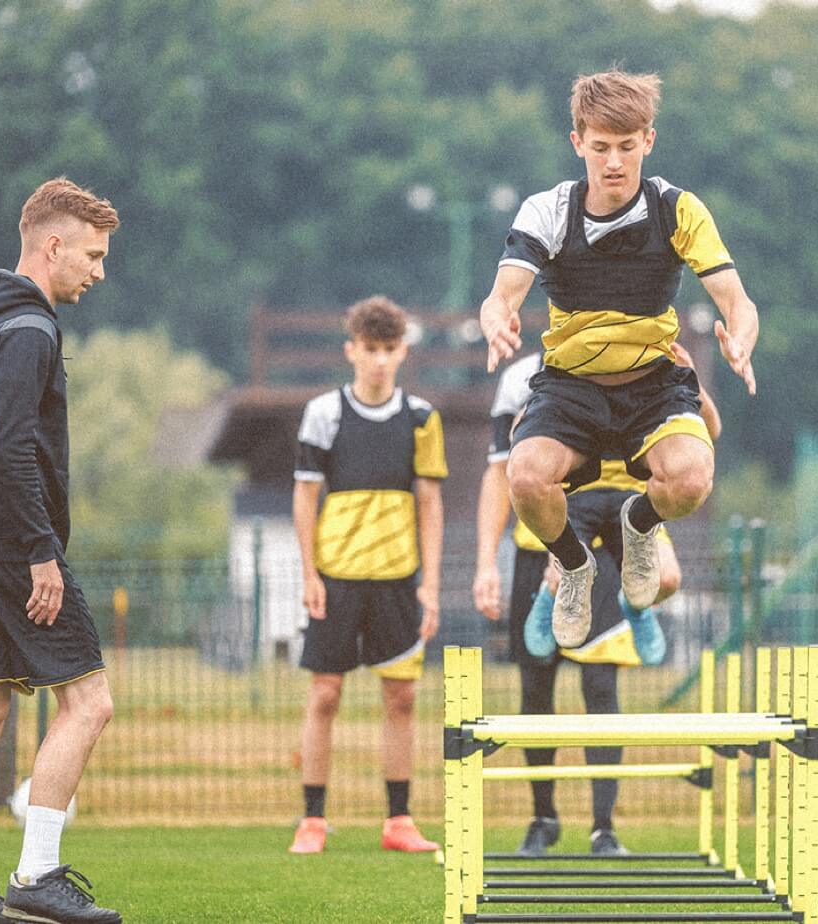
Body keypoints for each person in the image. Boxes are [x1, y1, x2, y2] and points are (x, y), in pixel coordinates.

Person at [479, 68, 759, 650]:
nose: (613, 163)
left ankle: (639, 525)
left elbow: (736, 299)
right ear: (577, 142)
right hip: (571, 387)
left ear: (648, 142)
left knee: (690, 478)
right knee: (524, 476)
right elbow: (503, 291)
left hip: (653, 383)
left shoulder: (678, 210)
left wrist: (741, 334)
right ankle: (574, 569)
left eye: (627, 148)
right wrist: (496, 315)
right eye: (600, 147)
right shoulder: (549, 209)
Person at [0, 178, 122, 924]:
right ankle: (38, 875)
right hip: (15, 545)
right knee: (89, 702)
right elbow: (11, 446)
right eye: (93, 254)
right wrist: (41, 552)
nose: (98, 271)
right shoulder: (30, 330)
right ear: (53, 246)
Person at [472, 343, 722, 856]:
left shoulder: (655, 361)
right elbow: (506, 468)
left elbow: (701, 435)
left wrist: (690, 375)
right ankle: (542, 818)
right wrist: (483, 564)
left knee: (603, 679)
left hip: (623, 520)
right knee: (535, 686)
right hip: (558, 524)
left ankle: (603, 827)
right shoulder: (533, 375)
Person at [288, 297, 446, 856]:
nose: (379, 361)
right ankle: (312, 820)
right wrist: (309, 574)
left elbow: (430, 503)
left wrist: (429, 583)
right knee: (325, 694)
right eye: (369, 350)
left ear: (402, 351)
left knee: (402, 698)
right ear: (350, 350)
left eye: (388, 350)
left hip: (399, 578)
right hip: (336, 576)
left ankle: (398, 820)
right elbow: (305, 498)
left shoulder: (423, 417)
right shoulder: (323, 413)